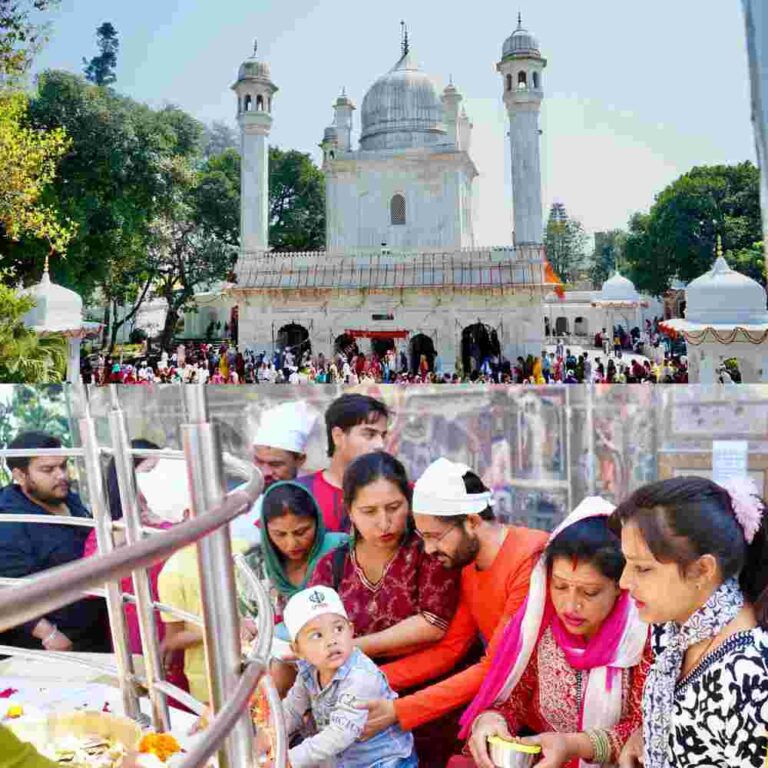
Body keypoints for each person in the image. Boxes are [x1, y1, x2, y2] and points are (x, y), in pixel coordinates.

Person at [360, 458, 548, 743]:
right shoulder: (467, 565)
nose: (428, 549)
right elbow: (449, 649)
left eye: (435, 536)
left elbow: (495, 666)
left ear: (471, 521)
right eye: (423, 537)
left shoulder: (529, 558)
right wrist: (365, 680)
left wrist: (399, 710)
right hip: (519, 714)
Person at [461, 497, 650, 768]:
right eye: (560, 587)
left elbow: (644, 728)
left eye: (589, 592)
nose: (571, 605)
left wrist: (572, 745)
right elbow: (510, 700)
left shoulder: (641, 639)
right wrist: (491, 722)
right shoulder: (538, 629)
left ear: (620, 587)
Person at [614, 476, 768, 768]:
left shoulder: (750, 676)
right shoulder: (674, 626)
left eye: (643, 569)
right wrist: (645, 735)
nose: (624, 581)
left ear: (702, 570)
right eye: (626, 563)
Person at [309, 451, 459, 658]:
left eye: (394, 507)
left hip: (422, 677)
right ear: (350, 511)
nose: (384, 523)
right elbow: (313, 626)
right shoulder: (333, 565)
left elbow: (433, 625)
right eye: (369, 511)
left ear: (408, 502)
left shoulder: (429, 552)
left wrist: (352, 647)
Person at [274, 586, 416, 768]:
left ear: (351, 631)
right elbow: (292, 709)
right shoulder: (308, 671)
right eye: (317, 635)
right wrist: (269, 736)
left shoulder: (361, 676)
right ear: (297, 650)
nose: (332, 640)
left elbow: (340, 733)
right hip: (346, 761)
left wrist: (289, 760)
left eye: (338, 629)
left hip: (385, 762)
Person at [0, 432, 110, 653]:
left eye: (63, 465)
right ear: (20, 475)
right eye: (47, 470)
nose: (61, 475)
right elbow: (7, 589)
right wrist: (47, 633)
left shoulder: (68, 498)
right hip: (55, 644)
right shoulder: (9, 520)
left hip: (96, 625)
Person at [256, 481, 349, 620]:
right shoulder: (258, 566)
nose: (292, 544)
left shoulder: (341, 550)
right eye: (280, 534)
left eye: (301, 532)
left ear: (317, 521)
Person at [296, 393, 389, 532]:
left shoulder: (396, 491)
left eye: (383, 436)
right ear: (338, 436)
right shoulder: (298, 493)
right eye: (369, 434)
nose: (380, 444)